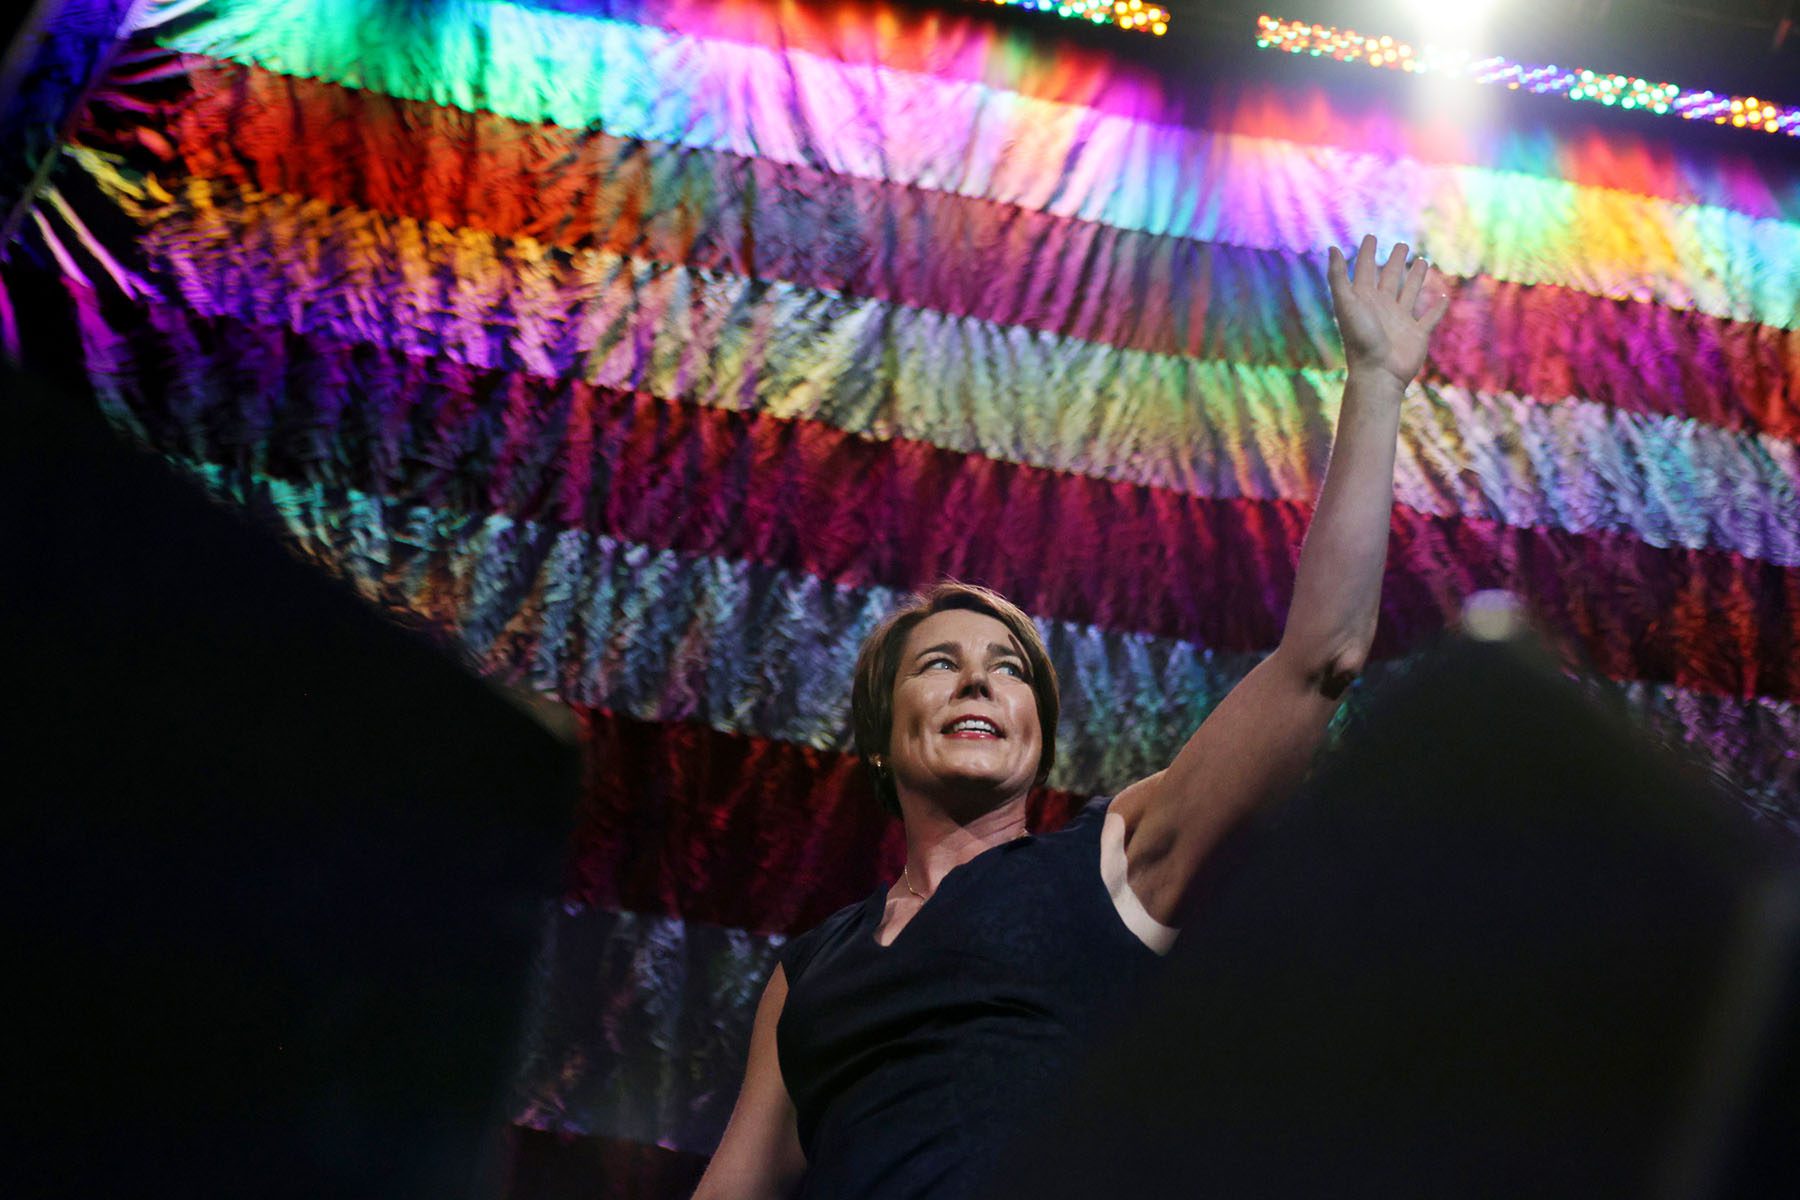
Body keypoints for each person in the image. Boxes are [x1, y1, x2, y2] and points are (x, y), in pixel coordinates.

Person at [690, 235, 1451, 1199]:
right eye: (940, 664)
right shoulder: (808, 977)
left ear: (1037, 733)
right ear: (881, 734)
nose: (979, 684)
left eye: (1008, 671)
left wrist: (1377, 381)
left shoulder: (1109, 863)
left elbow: (1320, 660)